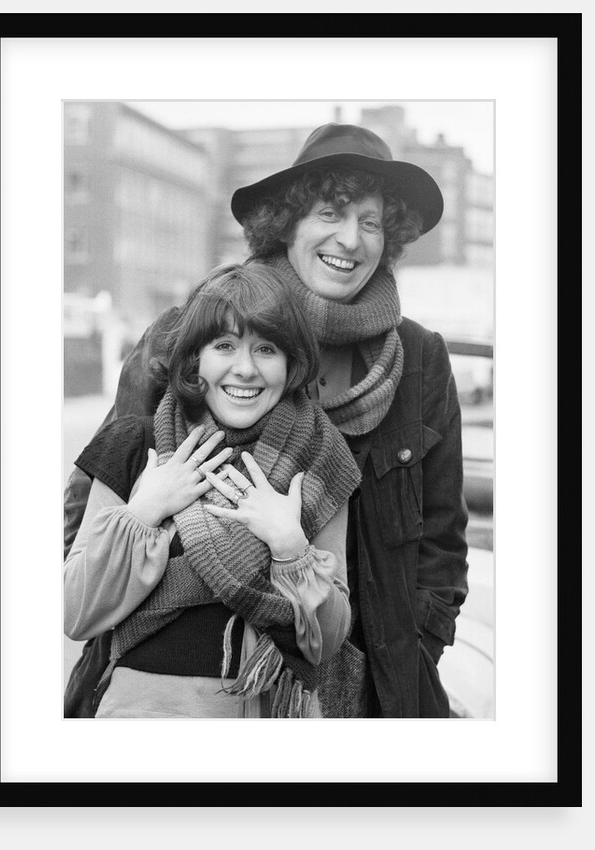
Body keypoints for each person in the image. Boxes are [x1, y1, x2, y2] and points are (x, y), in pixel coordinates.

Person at [65, 122, 469, 718]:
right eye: (330, 213)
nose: (351, 240)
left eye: (372, 220)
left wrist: (413, 655)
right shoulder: (188, 332)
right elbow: (88, 511)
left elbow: (441, 540)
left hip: (366, 683)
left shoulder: (420, 360)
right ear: (288, 224)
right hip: (179, 683)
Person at [64, 262, 362, 718]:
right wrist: (144, 510)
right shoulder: (132, 446)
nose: (245, 369)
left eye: (266, 349)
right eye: (225, 345)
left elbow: (328, 641)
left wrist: (290, 546)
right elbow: (75, 611)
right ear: (194, 359)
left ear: (292, 363)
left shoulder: (321, 462)